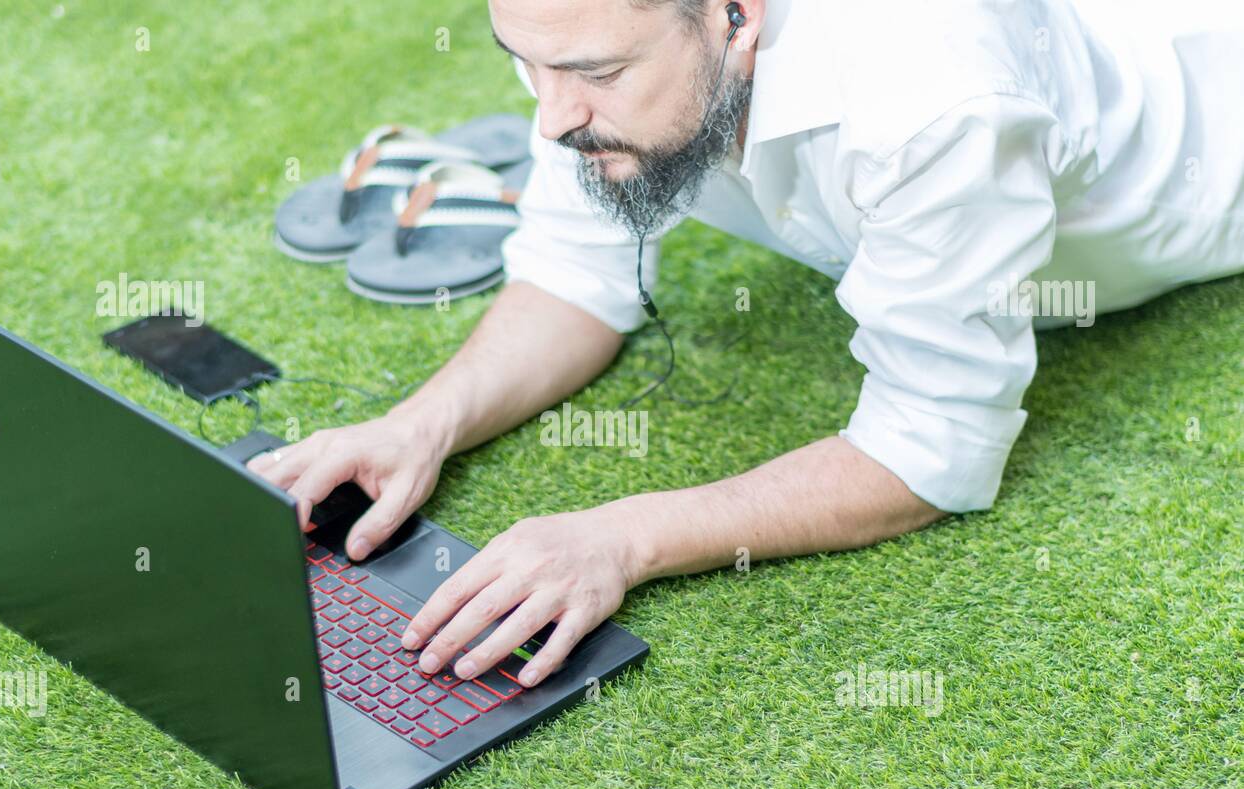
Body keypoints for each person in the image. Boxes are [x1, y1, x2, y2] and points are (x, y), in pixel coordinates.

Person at [251, 0, 1244, 688]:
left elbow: (927, 447)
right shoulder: (595, 50)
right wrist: (419, 425)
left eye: (594, 73)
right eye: (528, 60)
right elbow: (575, 273)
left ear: (738, 14)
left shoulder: (932, 104)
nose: (550, 119)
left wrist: (620, 535)